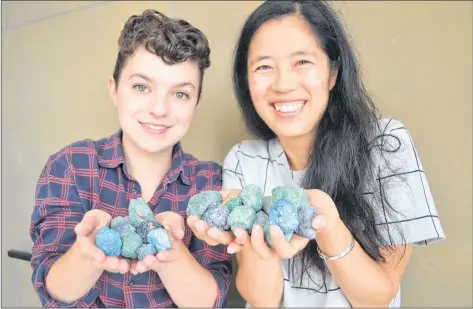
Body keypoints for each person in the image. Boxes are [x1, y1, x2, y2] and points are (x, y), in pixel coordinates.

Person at [187, 1, 445, 307]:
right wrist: (254, 241)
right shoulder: (244, 160)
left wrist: (326, 224)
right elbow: (263, 300)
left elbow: (377, 296)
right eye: (264, 67)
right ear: (246, 80)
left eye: (302, 62)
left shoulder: (385, 145)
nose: (283, 84)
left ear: (333, 71)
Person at [30, 9, 232, 308]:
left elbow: (209, 299)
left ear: (197, 103)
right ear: (114, 89)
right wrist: (88, 253)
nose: (159, 109)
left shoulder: (211, 182)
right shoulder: (71, 165)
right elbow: (53, 287)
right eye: (141, 87)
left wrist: (171, 252)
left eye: (180, 94)